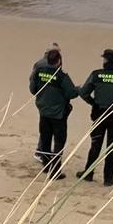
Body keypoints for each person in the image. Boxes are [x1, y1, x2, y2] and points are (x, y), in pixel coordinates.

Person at [76, 48, 113, 187]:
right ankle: (108, 179)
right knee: (111, 148)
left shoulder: (96, 75)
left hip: (99, 114)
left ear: (105, 60)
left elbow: (84, 93)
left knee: (95, 145)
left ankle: (88, 174)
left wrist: (94, 103)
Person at [29, 47, 78, 179]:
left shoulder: (39, 72)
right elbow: (71, 93)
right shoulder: (61, 76)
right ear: (58, 61)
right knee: (59, 142)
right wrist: (78, 89)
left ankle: (46, 165)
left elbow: (33, 89)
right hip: (58, 114)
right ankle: (55, 171)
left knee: (45, 139)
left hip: (43, 111)